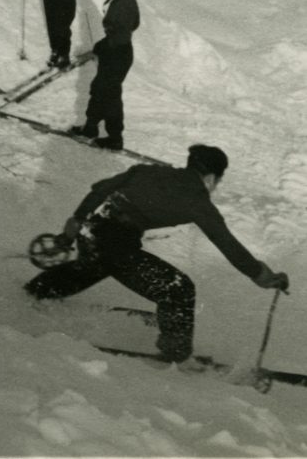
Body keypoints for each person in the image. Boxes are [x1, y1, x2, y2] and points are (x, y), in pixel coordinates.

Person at [25, 143, 290, 366]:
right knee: (178, 289)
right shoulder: (197, 202)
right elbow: (228, 245)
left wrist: (75, 223)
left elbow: (100, 188)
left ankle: (33, 293)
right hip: (116, 242)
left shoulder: (148, 171)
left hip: (93, 231)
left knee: (96, 264)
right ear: (211, 178)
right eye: (217, 181)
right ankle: (176, 355)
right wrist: (263, 276)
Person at [70, 0, 139, 149]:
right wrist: (105, 44)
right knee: (104, 91)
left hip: (118, 53)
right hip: (116, 51)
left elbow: (124, 32)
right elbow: (133, 24)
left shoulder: (124, 2)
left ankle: (110, 136)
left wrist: (104, 45)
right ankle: (95, 129)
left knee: (106, 93)